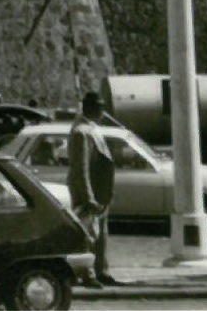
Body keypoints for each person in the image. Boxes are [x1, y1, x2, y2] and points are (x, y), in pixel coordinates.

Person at [68, 91, 118, 288]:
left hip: (100, 192)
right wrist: (88, 196)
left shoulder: (91, 128)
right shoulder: (81, 131)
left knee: (100, 234)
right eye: (101, 107)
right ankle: (88, 274)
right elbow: (81, 168)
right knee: (87, 235)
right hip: (90, 193)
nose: (103, 112)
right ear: (93, 109)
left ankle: (101, 269)